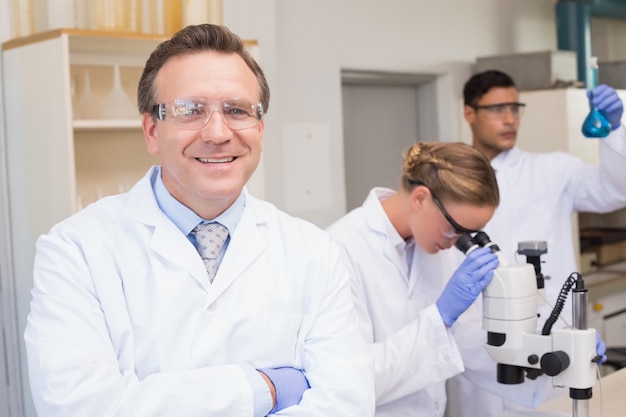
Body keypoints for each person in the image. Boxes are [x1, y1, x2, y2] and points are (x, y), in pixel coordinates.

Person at [24, 24, 374, 417]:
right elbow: (77, 406)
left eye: (236, 110)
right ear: (152, 130)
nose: (218, 132)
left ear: (259, 128)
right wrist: (262, 387)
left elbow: (348, 403)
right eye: (191, 110)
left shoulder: (314, 253)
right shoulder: (75, 251)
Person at [445, 69, 624, 417]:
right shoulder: (451, 180)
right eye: (497, 109)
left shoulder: (552, 170)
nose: (510, 119)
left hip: (552, 344)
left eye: (515, 108)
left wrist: (617, 129)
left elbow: (616, 189)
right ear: (469, 113)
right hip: (480, 353)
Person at [326, 141, 502, 417]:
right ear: (420, 198)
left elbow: (462, 343)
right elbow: (353, 378)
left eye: (469, 234)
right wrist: (439, 317)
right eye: (455, 229)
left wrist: (543, 351)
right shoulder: (340, 248)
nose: (458, 242)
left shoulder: (435, 242)